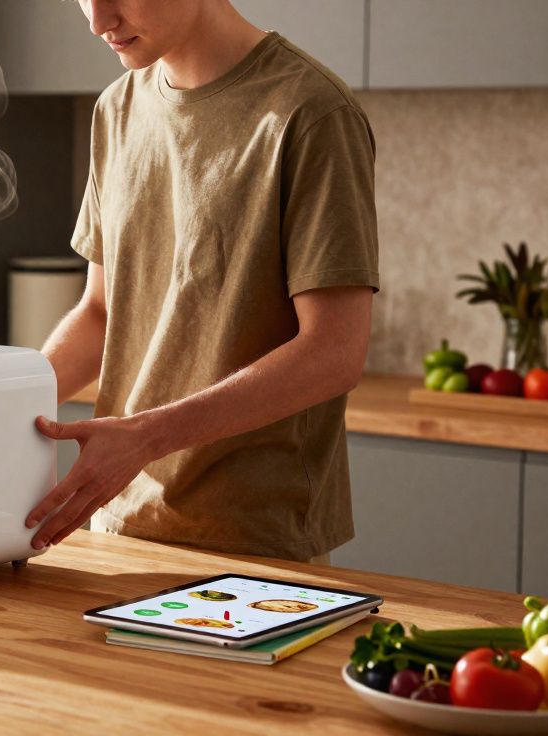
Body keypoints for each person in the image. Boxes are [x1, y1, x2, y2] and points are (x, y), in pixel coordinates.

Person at [25, 0, 379, 563]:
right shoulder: (117, 109)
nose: (98, 21)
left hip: (254, 541)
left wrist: (144, 437)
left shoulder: (309, 111)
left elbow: (334, 352)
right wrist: (0, 405)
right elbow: (101, 312)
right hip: (115, 524)